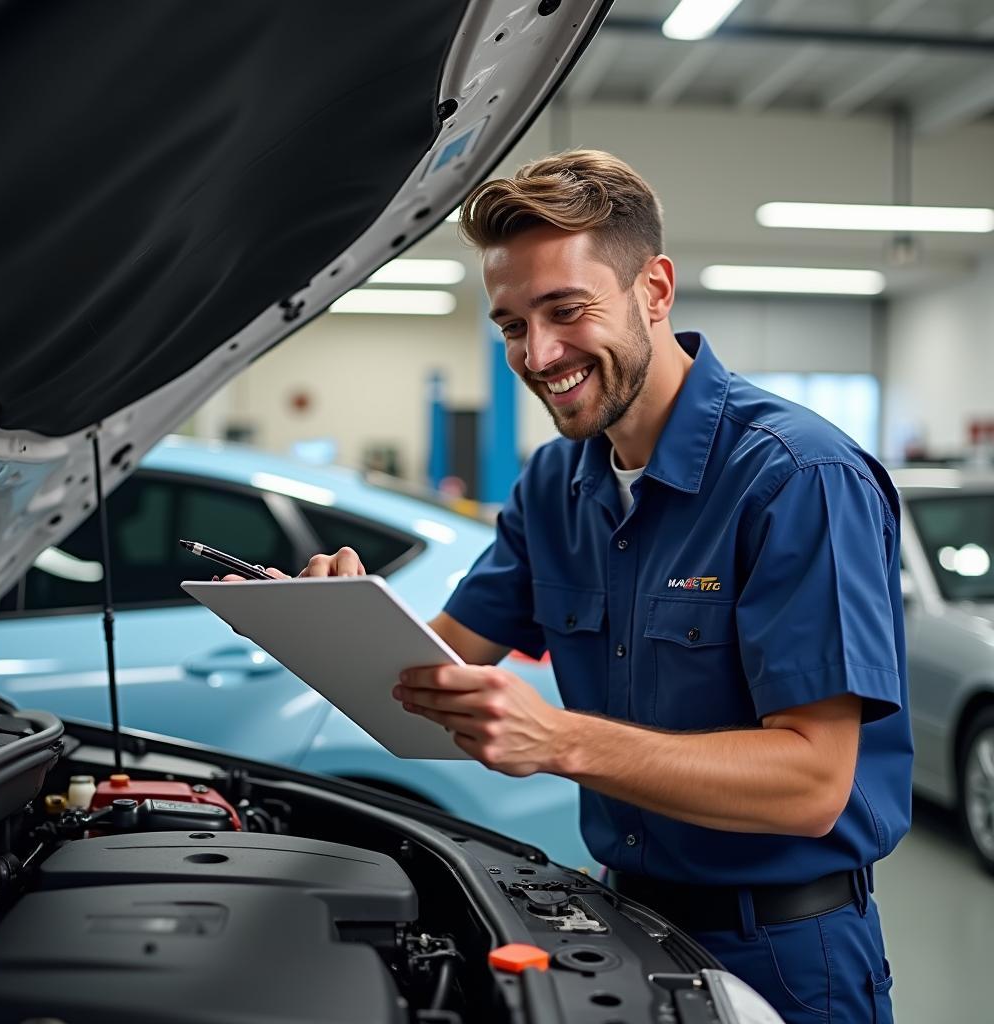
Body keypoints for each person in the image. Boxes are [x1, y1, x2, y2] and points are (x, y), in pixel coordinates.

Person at [250, 150, 911, 1023]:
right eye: (513, 325)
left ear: (656, 289)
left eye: (566, 311)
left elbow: (813, 783)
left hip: (787, 956)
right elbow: (437, 661)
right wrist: (339, 618)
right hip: (625, 922)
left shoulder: (797, 478)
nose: (540, 353)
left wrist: (560, 739)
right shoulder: (556, 484)